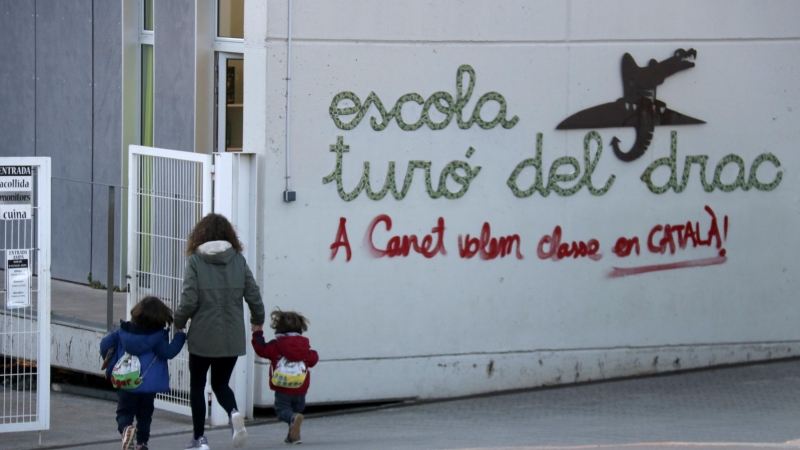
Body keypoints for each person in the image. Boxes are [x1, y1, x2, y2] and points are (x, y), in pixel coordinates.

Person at [174, 213, 265, 450]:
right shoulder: (238, 260)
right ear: (228, 234)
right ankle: (234, 414)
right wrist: (257, 321)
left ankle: (200, 439)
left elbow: (189, 300)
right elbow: (254, 296)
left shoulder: (195, 261)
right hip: (232, 335)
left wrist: (178, 321)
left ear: (199, 234)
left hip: (203, 336)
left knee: (197, 386)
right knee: (221, 384)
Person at [100, 296, 186, 450]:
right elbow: (168, 352)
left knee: (124, 412)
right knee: (145, 415)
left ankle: (126, 429)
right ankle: (142, 444)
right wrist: (179, 335)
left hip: (126, 382)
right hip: (147, 385)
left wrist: (110, 361)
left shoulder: (123, 331)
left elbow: (105, 344)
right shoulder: (159, 336)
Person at [252, 308, 319, 444]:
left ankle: (293, 422)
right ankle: (293, 437)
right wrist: (313, 353)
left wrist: (257, 333)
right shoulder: (304, 346)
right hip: (300, 388)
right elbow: (313, 360)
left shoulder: (276, 345)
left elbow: (261, 349)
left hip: (282, 387)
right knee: (295, 413)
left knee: (283, 411)